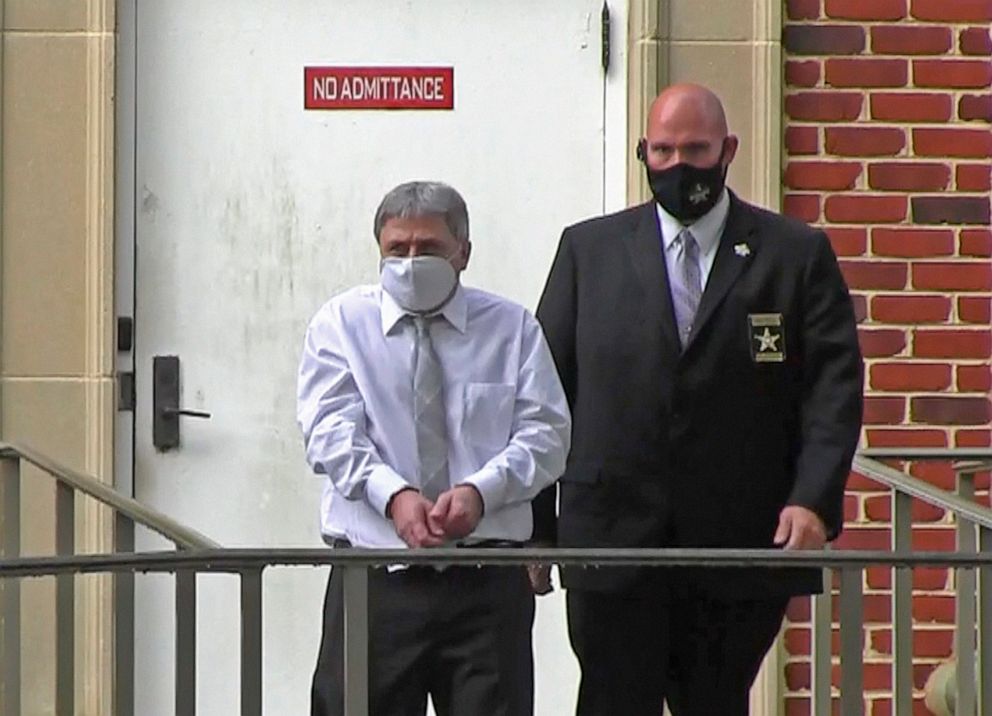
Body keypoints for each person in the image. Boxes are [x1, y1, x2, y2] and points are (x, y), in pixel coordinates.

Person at [533, 83, 863, 715]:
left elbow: (833, 390)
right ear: (643, 153)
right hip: (610, 542)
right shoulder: (588, 251)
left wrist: (813, 500)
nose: (678, 165)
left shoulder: (794, 255)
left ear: (728, 150)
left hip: (737, 543)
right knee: (610, 700)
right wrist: (536, 529)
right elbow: (546, 394)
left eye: (695, 149)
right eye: (661, 150)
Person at [297, 180, 571, 716]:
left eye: (429, 248)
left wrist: (481, 491)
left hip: (486, 581)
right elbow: (328, 429)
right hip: (376, 579)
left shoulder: (511, 329)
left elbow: (547, 435)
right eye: (397, 249)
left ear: (463, 253)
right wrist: (392, 496)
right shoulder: (341, 325)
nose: (411, 260)